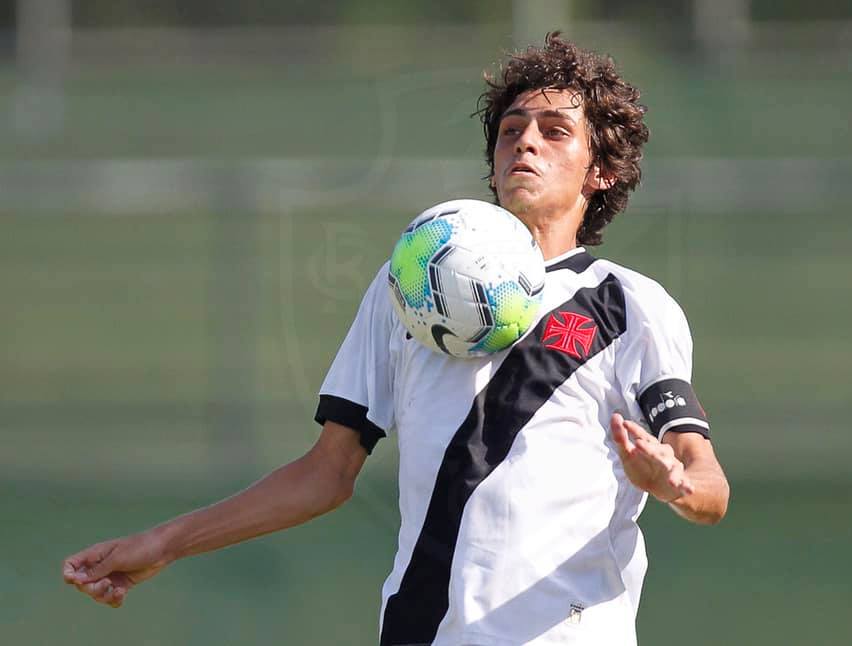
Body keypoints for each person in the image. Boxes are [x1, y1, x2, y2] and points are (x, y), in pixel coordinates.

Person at [63, 32, 729, 645]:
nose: (526, 143)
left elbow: (708, 484)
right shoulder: (410, 282)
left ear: (600, 170)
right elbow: (325, 473)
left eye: (555, 131)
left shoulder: (628, 305)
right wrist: (163, 543)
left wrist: (671, 482)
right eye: (511, 130)